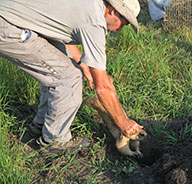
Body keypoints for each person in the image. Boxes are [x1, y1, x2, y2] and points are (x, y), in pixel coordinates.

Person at [0, 0, 143, 155]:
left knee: (62, 67)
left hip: (15, 16)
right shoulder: (94, 22)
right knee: (68, 77)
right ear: (113, 11)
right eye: (124, 23)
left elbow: (60, 30)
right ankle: (55, 141)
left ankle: (41, 125)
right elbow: (103, 88)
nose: (120, 29)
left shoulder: (90, 4)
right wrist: (123, 122)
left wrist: (83, 63)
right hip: (8, 25)